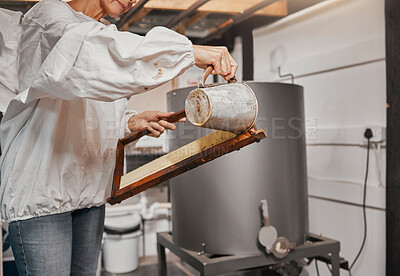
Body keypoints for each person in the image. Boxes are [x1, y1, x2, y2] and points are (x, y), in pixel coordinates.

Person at [0, 0, 238, 275]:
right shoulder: (49, 14)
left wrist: (129, 123)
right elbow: (87, 55)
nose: (133, 0)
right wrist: (188, 52)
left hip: (89, 194)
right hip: (41, 194)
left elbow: (89, 111)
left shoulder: (105, 30)